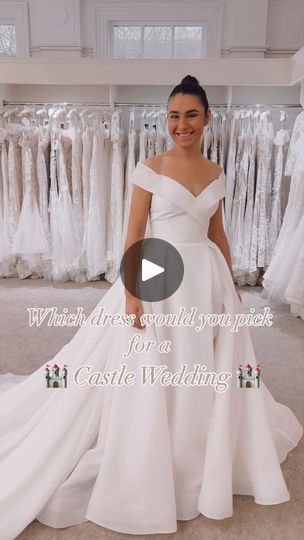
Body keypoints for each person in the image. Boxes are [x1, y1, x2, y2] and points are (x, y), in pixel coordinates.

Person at [0, 76, 302, 539]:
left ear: (207, 118)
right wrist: (132, 292)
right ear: (167, 119)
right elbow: (134, 232)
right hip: (160, 273)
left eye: (192, 115)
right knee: (154, 363)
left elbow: (216, 232)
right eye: (175, 115)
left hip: (205, 277)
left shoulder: (217, 173)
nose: (182, 124)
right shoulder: (148, 167)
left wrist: (233, 281)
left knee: (203, 362)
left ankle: (197, 448)